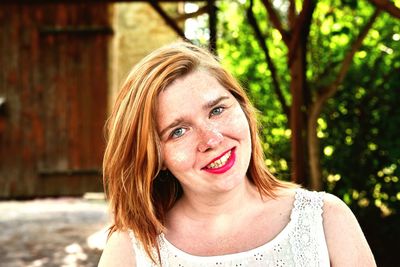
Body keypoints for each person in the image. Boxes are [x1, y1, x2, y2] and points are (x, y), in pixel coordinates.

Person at [98, 42, 376, 267]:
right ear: (156, 156)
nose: (212, 139)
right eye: (179, 131)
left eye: (217, 110)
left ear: (243, 109)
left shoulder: (325, 220)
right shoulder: (131, 251)